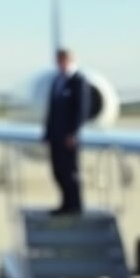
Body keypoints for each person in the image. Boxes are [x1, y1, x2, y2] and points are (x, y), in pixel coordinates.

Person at [43, 47, 88, 215]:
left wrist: (73, 133)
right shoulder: (57, 81)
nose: (60, 64)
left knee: (70, 172)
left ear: (70, 60)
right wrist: (47, 134)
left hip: (69, 137)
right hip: (55, 136)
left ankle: (75, 206)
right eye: (58, 60)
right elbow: (51, 110)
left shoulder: (78, 81)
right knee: (57, 171)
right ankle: (65, 203)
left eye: (63, 60)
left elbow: (81, 110)